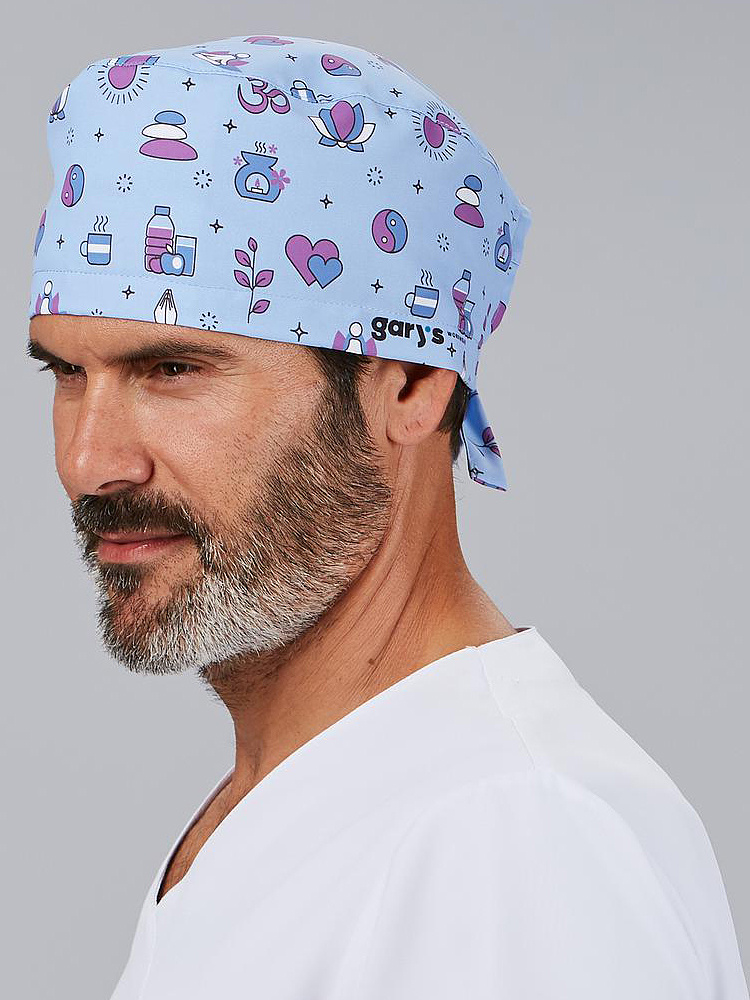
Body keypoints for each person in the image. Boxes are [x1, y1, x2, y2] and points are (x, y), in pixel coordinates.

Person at [27, 33, 749, 1000]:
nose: (88, 463)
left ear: (408, 382)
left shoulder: (512, 843)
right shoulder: (315, 799)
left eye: (173, 369)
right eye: (67, 373)